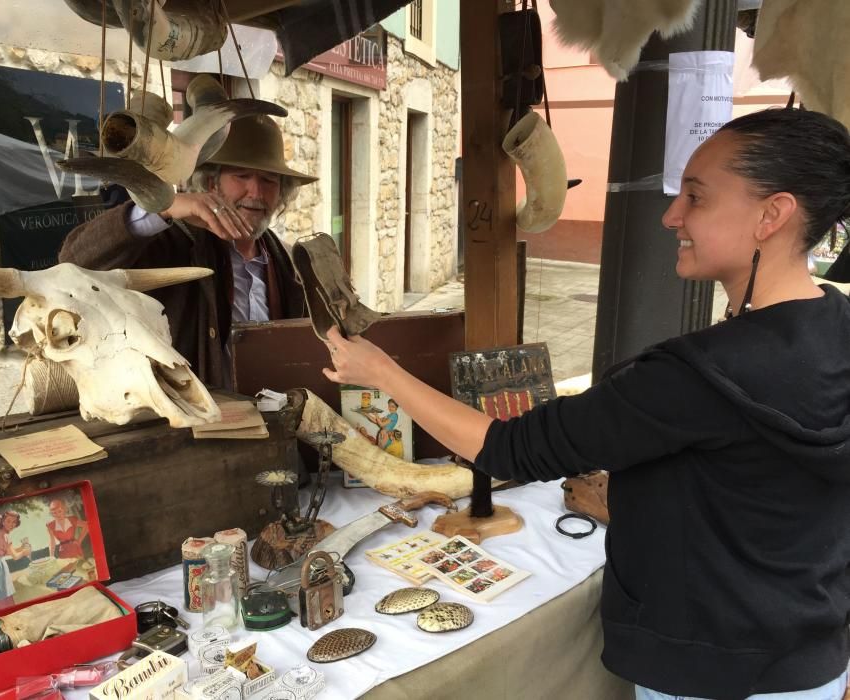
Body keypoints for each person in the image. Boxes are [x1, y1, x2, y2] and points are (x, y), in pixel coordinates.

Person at [321, 108, 850, 700]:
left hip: (708, 675)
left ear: (771, 214)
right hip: (811, 665)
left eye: (696, 199)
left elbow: (509, 448)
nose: (672, 216)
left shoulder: (699, 377)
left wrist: (381, 371)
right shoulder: (837, 327)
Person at [59, 115, 315, 387]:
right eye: (241, 176)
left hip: (272, 417)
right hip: (193, 421)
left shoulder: (286, 260)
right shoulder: (173, 242)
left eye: (269, 180)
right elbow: (74, 261)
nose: (256, 191)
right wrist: (162, 208)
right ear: (211, 184)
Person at [0, 511, 31, 611]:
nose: (11, 524)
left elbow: (7, 552)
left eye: (14, 522)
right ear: (3, 521)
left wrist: (21, 548)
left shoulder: (2, 534)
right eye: (8, 521)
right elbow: (15, 557)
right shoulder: (4, 536)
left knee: (3, 597)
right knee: (3, 599)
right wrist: (24, 552)